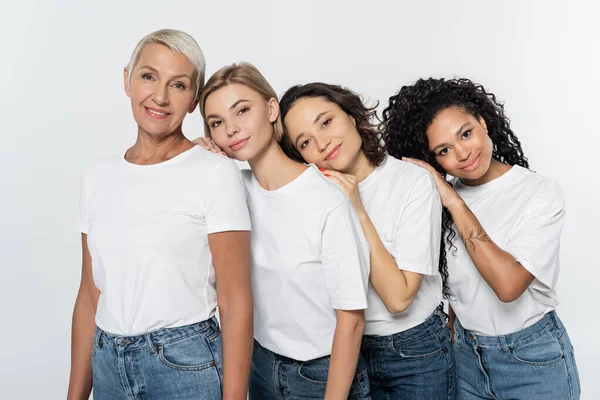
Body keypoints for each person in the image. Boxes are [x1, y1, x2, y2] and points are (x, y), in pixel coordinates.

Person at [67, 29, 253, 400]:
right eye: (148, 76)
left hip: (185, 364)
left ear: (193, 100)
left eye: (179, 85)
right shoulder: (97, 176)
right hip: (107, 362)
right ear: (127, 80)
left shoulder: (214, 173)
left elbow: (235, 298)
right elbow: (90, 295)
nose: (160, 96)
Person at [381, 77, 581, 399]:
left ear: (483, 122)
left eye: (466, 133)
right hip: (466, 360)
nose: (462, 153)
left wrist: (455, 202)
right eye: (444, 150)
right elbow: (458, 289)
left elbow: (507, 286)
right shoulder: (437, 201)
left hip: (532, 361)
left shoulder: (539, 193)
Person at [197, 62, 371, 399]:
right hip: (259, 364)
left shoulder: (326, 198)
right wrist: (199, 156)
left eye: (242, 111)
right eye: (217, 123)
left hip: (322, 373)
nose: (231, 129)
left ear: (272, 108)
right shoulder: (231, 189)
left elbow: (351, 321)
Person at [278, 82, 455, 399]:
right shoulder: (310, 196)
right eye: (305, 142)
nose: (323, 143)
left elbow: (399, 299)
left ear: (351, 114)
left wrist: (356, 208)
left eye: (326, 122)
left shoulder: (410, 182)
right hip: (345, 349)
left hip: (414, 352)